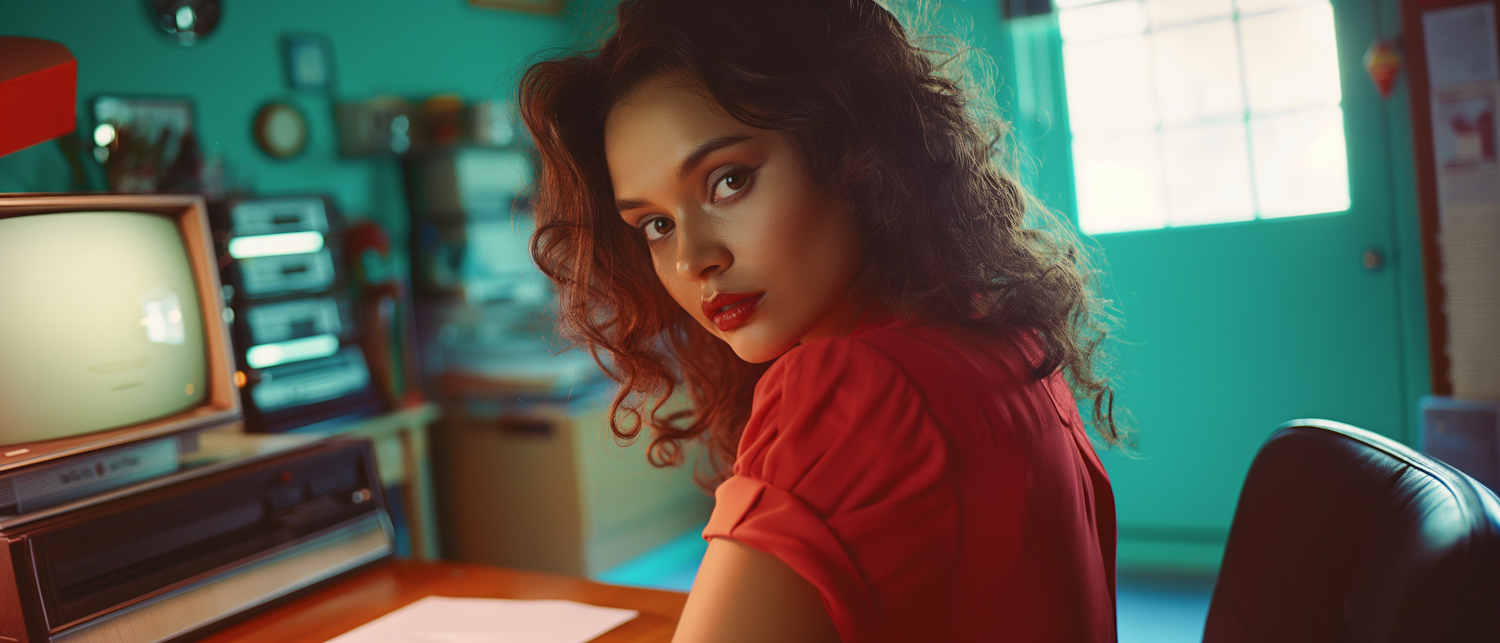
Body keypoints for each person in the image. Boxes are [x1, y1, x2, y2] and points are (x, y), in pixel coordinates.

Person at [519, 1, 1124, 640]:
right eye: (656, 225)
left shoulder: (855, 386)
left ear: (850, 147)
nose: (694, 259)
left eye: (728, 181)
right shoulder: (1011, 346)